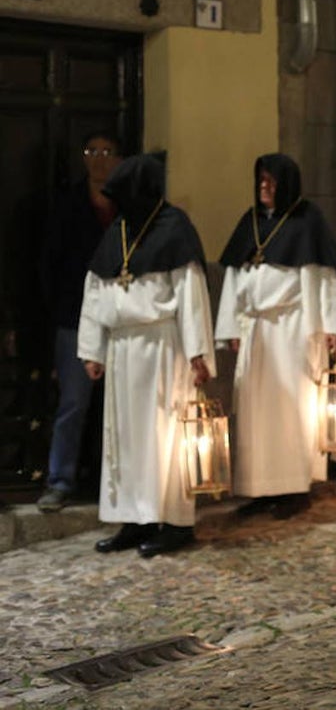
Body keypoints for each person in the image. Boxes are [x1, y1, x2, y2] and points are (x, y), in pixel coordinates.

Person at [78, 154, 215, 557]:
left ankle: (174, 522)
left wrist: (198, 353)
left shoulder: (175, 229)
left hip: (163, 348)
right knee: (126, 440)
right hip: (122, 351)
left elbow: (191, 294)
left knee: (165, 437)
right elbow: (95, 290)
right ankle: (135, 519)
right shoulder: (118, 233)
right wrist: (93, 349)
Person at [216, 154, 336, 519]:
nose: (263, 187)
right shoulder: (251, 222)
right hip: (256, 330)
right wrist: (231, 326)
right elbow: (233, 278)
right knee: (255, 413)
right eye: (260, 180)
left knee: (292, 409)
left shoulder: (307, 222)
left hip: (293, 329)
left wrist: (333, 327)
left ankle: (293, 486)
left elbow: (324, 280)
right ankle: (258, 486)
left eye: (271, 182)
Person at [36, 132, 121, 512]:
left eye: (106, 152)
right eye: (91, 151)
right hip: (74, 316)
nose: (99, 159)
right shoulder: (68, 205)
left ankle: (114, 480)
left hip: (120, 317)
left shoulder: (128, 206)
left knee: (119, 405)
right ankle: (60, 479)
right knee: (73, 402)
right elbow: (51, 264)